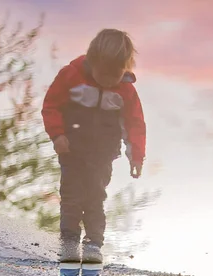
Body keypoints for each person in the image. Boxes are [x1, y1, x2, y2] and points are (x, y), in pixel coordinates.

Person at [42, 28, 146, 263]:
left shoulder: (126, 91)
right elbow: (51, 106)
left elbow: (135, 124)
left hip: (103, 155)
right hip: (72, 150)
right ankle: (68, 242)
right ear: (92, 61)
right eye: (104, 74)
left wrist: (136, 156)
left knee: (95, 197)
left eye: (116, 75)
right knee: (71, 196)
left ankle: (93, 244)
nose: (110, 81)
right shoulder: (71, 76)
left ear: (125, 68)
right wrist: (57, 135)